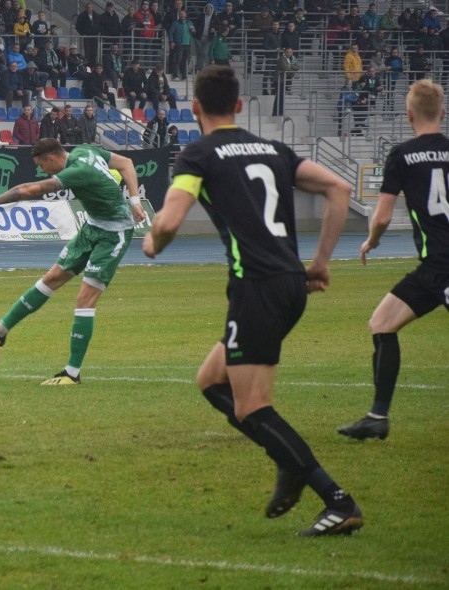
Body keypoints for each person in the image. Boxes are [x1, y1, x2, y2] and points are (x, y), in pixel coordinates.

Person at [141, 66, 363, 537]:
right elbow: (339, 189)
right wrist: (321, 261)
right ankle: (288, 463)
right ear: (239, 106)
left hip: (256, 289)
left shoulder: (197, 154)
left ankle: (335, 498)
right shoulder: (274, 149)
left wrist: (152, 244)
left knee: (251, 407)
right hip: (288, 284)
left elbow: (167, 222)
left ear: (195, 108)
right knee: (210, 380)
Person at [0, 137, 145, 385]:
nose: (42, 171)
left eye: (42, 165)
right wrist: (135, 202)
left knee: (85, 298)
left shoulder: (76, 172)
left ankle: (72, 373)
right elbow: (126, 162)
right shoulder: (83, 148)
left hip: (113, 234)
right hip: (92, 227)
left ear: (50, 158)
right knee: (51, 278)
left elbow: (27, 190)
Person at [338, 80, 449, 441]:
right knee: (382, 322)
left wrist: (371, 241)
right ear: (442, 114)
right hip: (433, 269)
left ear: (409, 115)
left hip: (440, 262)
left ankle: (377, 416)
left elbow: (383, 216)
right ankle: (376, 417)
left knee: (382, 324)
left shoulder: (402, 155)